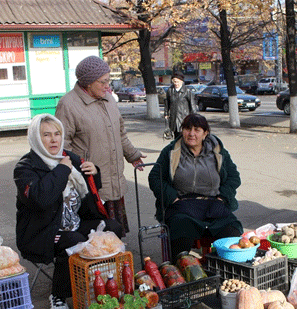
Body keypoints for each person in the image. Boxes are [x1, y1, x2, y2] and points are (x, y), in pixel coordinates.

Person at [14, 114, 123, 309]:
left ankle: (101, 283)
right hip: (42, 233)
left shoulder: (70, 158)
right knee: (73, 241)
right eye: (46, 135)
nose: (54, 139)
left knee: (112, 227)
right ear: (36, 139)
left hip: (75, 223)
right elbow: (40, 199)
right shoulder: (25, 168)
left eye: (57, 133)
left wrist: (94, 173)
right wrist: (62, 170)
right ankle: (58, 296)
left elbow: (88, 194)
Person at [55, 55, 145, 238]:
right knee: (95, 236)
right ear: (88, 83)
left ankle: (118, 259)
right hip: (90, 183)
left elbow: (120, 134)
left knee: (115, 234)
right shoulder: (68, 105)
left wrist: (133, 155)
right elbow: (61, 147)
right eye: (103, 82)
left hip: (113, 177)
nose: (108, 86)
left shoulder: (109, 100)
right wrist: (75, 172)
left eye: (108, 80)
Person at [148, 113, 243, 260]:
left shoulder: (217, 151)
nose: (191, 134)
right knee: (180, 229)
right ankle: (181, 272)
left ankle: (222, 270)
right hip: (182, 204)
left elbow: (233, 177)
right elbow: (155, 177)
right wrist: (172, 198)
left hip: (213, 203)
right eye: (187, 129)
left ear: (205, 133)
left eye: (197, 130)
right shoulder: (171, 151)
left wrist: (222, 197)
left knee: (231, 231)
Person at [165, 71, 197, 138]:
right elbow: (167, 103)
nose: (176, 83)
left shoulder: (187, 91)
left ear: (181, 81)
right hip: (174, 119)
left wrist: (194, 119)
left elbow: (193, 106)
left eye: (177, 81)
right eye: (174, 81)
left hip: (184, 119)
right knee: (176, 140)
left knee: (185, 139)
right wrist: (166, 114)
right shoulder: (170, 90)